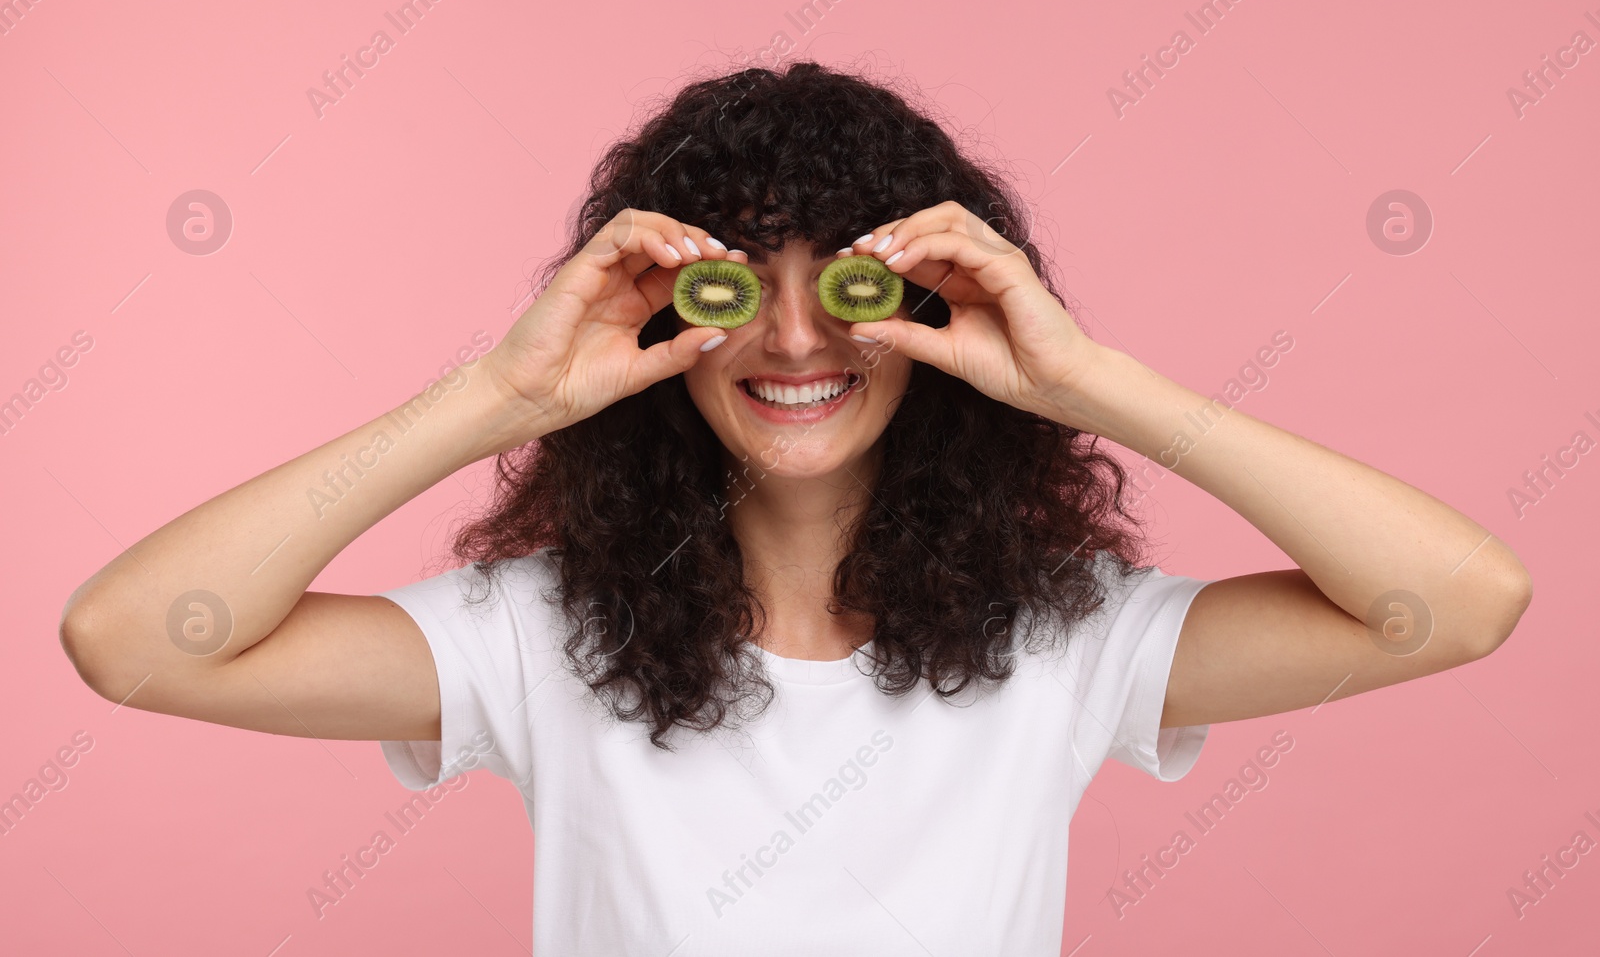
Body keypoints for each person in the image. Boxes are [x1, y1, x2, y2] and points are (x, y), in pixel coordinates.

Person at [60, 61, 1530, 955]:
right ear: (662, 328)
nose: (794, 343)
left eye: (848, 291)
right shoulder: (543, 638)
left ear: (926, 317)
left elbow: (1461, 602)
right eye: (734, 294)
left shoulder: (1065, 640)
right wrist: (495, 401)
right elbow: (138, 643)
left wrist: (1092, 383)